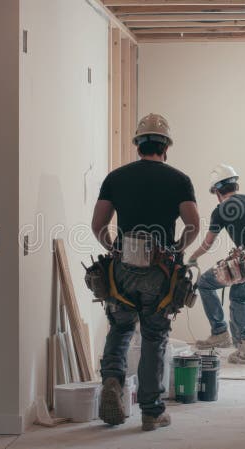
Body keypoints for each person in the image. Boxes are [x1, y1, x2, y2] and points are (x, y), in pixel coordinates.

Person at [91, 113, 200, 431]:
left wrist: (114, 248)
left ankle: (112, 381)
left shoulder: (116, 177)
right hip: (160, 268)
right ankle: (151, 412)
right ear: (165, 146)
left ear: (138, 144)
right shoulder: (179, 179)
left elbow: (98, 225)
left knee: (121, 328)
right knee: (154, 336)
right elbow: (193, 223)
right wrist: (179, 245)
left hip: (123, 267)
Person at [188, 164, 245, 365]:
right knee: (240, 296)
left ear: (217, 191)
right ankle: (243, 346)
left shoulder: (221, 209)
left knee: (205, 283)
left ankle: (222, 334)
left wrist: (193, 257)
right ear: (236, 185)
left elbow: (208, 243)